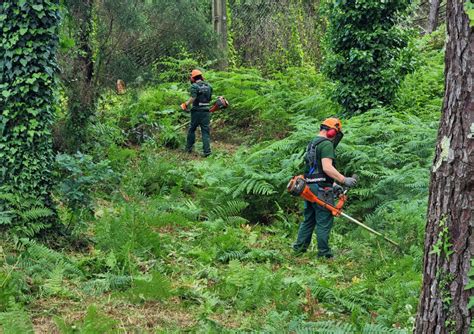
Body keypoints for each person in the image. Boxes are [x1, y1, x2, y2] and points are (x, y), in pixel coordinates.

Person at [293, 118, 357, 259]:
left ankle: (299, 249)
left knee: (309, 219)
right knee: (324, 220)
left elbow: (315, 170)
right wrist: (343, 179)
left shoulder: (312, 143)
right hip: (321, 189)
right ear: (332, 131)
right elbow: (327, 168)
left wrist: (333, 185)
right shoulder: (326, 144)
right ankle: (324, 254)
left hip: (309, 187)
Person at [181, 69, 213, 157]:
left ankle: (188, 148)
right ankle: (207, 152)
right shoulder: (209, 86)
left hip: (196, 111)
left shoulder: (194, 86)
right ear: (201, 76)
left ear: (193, 78)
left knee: (192, 129)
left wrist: (185, 104)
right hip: (206, 111)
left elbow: (193, 98)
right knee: (205, 131)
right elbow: (209, 99)